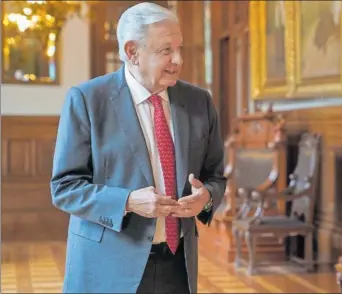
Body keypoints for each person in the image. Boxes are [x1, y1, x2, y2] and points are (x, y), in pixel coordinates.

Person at [50, 2, 226, 293]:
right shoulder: (87, 99)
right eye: (166, 50)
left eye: (179, 48)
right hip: (107, 266)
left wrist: (205, 198)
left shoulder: (199, 102)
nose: (178, 60)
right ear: (132, 52)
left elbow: (215, 177)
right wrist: (128, 201)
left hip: (178, 266)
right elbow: (65, 188)